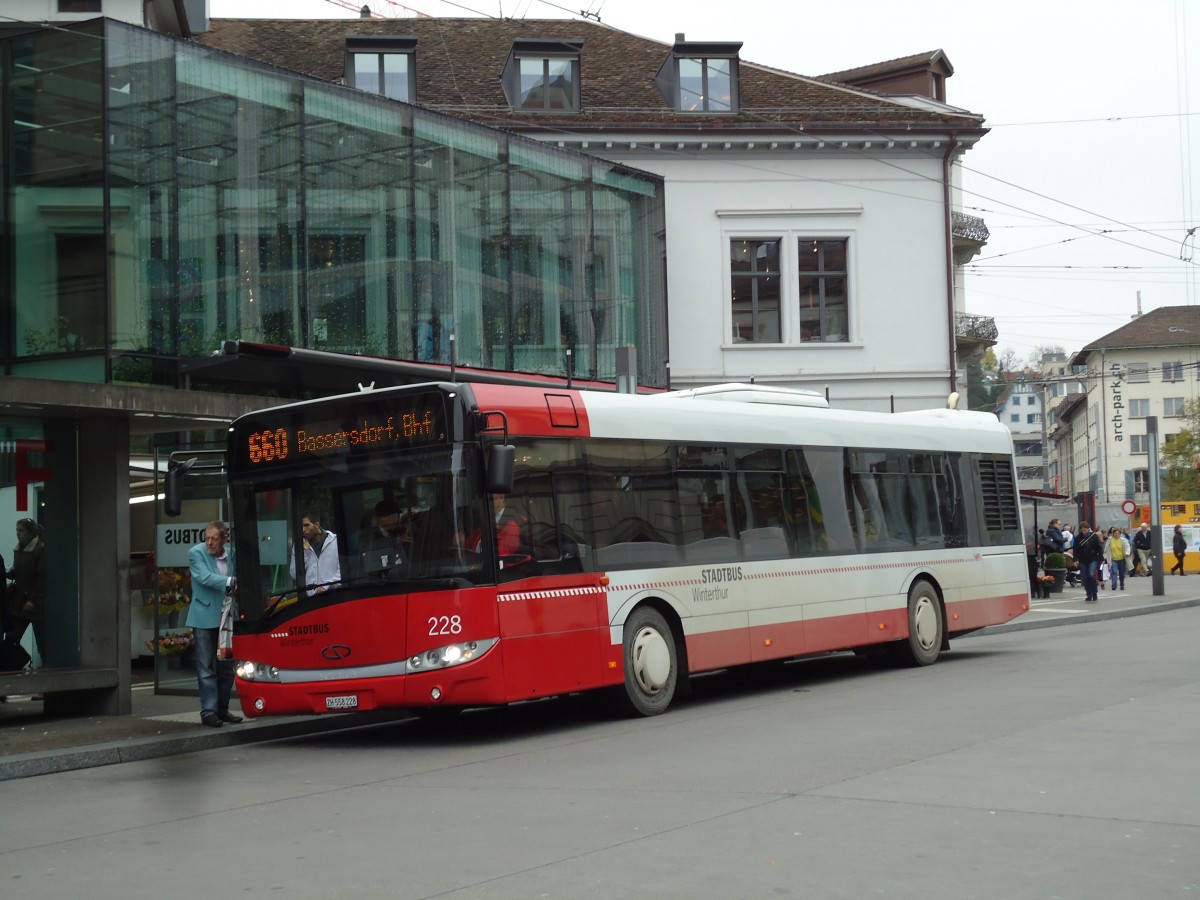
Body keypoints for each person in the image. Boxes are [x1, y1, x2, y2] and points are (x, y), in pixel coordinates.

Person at [186, 521, 241, 727]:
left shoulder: (233, 553)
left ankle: (222, 709)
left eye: (214, 538)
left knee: (227, 665)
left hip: (226, 616)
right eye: (206, 538)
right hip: (204, 615)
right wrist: (231, 581)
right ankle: (208, 712)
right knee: (206, 666)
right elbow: (204, 577)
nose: (209, 542)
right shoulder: (196, 553)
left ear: (225, 539)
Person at [5, 519, 45, 665]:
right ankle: (10, 667)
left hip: (35, 604)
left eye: (21, 531)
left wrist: (32, 600)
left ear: (30, 533)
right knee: (11, 638)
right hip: (19, 602)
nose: (18, 534)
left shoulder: (40, 549)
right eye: (17, 530)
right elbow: (19, 573)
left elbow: (42, 578)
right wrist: (8, 573)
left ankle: (46, 667)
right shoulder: (18, 549)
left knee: (42, 642)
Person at [289, 510, 341, 595]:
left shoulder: (335, 541)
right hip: (311, 599)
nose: (303, 530)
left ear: (317, 525)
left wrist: (326, 587)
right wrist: (305, 554)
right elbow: (294, 574)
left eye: (306, 525)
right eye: (301, 526)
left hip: (333, 595)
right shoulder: (298, 546)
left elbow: (342, 571)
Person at [359, 499, 407, 577]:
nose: (395, 520)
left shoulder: (398, 530)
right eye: (390, 517)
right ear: (379, 519)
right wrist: (396, 540)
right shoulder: (368, 534)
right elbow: (371, 548)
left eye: (397, 516)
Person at [1073, 522, 1103, 602]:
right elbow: (1075, 550)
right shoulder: (1078, 538)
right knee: (1085, 578)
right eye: (1082, 530)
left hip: (1093, 559)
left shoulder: (1094, 536)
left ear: (1088, 529)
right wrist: (1075, 560)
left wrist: (1101, 558)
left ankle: (1094, 592)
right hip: (1082, 560)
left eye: (1085, 530)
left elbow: (1099, 548)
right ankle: (1088, 594)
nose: (1083, 531)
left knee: (1091, 575)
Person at [1104, 526, 1130, 591]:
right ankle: (1114, 584)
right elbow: (1106, 549)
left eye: (1118, 533)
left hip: (1121, 558)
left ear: (1120, 534)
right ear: (1113, 534)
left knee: (1121, 573)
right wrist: (1105, 556)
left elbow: (1127, 547)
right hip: (1113, 559)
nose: (1116, 534)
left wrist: (1127, 553)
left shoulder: (1123, 540)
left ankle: (1122, 584)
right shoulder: (1110, 540)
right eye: (1115, 533)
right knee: (1114, 572)